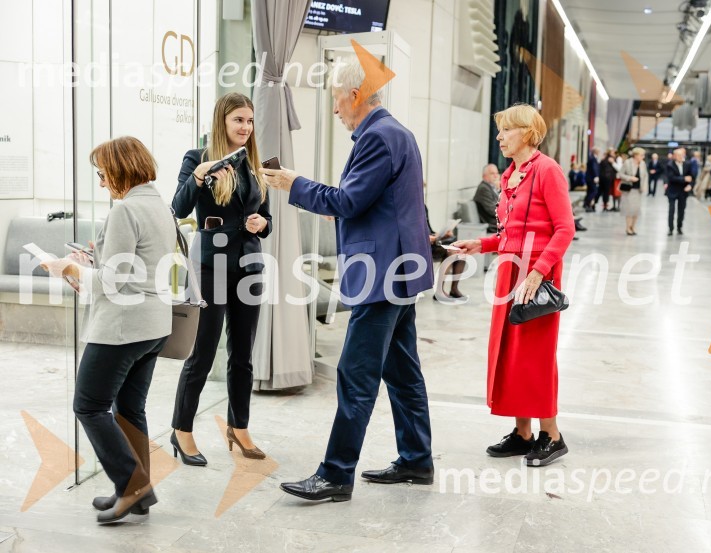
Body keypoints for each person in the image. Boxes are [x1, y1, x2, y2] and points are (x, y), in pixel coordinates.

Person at [261, 60, 435, 502]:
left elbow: (351, 201)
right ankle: (416, 459)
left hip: (382, 277)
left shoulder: (378, 136)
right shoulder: (397, 133)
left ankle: (336, 474)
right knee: (402, 373)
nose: (335, 108)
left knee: (355, 377)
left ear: (355, 95)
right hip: (400, 274)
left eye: (336, 99)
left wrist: (294, 184)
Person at [41, 137, 176, 523]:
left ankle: (133, 487)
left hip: (122, 326)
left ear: (120, 168)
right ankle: (135, 489)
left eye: (102, 174)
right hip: (154, 325)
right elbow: (136, 264)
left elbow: (113, 282)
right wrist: (95, 258)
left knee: (89, 404)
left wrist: (67, 267)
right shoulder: (157, 205)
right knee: (130, 408)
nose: (101, 182)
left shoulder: (125, 210)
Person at [453, 103, 575, 467]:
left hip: (536, 275)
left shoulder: (547, 171)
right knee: (511, 352)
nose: (500, 137)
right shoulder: (511, 174)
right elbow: (510, 233)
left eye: (506, 130)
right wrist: (483, 244)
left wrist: (538, 271)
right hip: (511, 272)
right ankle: (523, 433)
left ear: (526, 132)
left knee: (535, 355)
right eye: (500, 131)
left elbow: (564, 229)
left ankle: (551, 434)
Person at [171, 92, 272, 465]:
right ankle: (182, 431)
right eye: (238, 120)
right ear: (222, 122)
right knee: (203, 352)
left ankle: (239, 427)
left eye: (249, 121)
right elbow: (178, 209)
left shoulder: (255, 164)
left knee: (242, 354)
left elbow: (267, 219)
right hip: (209, 266)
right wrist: (198, 178)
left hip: (249, 266)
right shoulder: (196, 159)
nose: (245, 127)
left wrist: (263, 223)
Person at [664, 147, 693, 236]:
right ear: (674, 156)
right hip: (672, 190)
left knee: (682, 210)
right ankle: (670, 228)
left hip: (683, 191)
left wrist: (690, 185)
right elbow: (671, 178)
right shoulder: (670, 165)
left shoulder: (688, 164)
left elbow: (692, 177)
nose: (681, 156)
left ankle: (679, 227)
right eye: (678, 155)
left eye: (682, 155)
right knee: (671, 210)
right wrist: (684, 179)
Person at [619, 147, 647, 235]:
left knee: (636, 211)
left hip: (638, 190)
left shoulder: (643, 164)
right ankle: (628, 228)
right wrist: (630, 178)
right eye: (641, 155)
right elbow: (620, 174)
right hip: (629, 190)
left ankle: (633, 227)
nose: (643, 157)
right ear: (636, 155)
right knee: (629, 210)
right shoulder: (628, 163)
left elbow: (645, 176)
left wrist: (645, 187)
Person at [475, 163, 501, 233]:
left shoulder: (491, 187)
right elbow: (493, 210)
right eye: (492, 173)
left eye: (497, 173)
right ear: (484, 176)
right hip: (491, 224)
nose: (496, 176)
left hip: (497, 222)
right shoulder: (484, 188)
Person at [583, 147, 601, 211]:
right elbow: (594, 168)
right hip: (591, 178)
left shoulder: (593, 158)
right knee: (594, 191)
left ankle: (586, 204)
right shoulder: (593, 158)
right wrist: (596, 176)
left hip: (590, 178)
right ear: (595, 151)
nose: (599, 152)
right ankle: (587, 203)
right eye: (598, 151)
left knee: (590, 191)